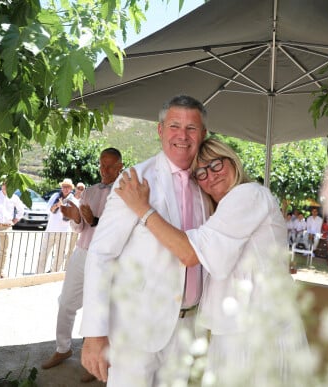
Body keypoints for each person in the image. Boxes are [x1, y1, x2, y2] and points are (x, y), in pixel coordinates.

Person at [117, 138, 308, 386]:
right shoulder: (225, 209)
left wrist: (142, 209)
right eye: (201, 173)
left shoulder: (248, 195)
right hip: (241, 328)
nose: (211, 176)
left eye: (216, 165)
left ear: (232, 162)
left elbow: (189, 253)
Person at [81, 95, 209, 385]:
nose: (183, 135)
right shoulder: (135, 179)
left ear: (203, 135)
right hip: (134, 330)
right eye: (175, 126)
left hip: (187, 329)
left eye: (192, 128)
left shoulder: (206, 185)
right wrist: (94, 333)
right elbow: (101, 255)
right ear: (160, 130)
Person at [41, 148, 123, 384]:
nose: (104, 170)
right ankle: (62, 347)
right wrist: (76, 218)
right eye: (101, 165)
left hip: (108, 258)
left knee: (99, 309)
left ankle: (96, 361)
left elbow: (121, 229)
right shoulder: (89, 191)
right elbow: (80, 229)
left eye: (109, 166)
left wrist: (94, 220)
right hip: (82, 251)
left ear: (120, 166)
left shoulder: (126, 193)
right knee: (66, 301)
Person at [37, 178, 75, 273]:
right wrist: (57, 205)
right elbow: (49, 209)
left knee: (59, 256)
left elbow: (71, 216)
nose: (65, 189)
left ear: (71, 189)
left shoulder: (73, 200)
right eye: (64, 187)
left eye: (68, 187)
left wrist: (63, 207)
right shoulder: (55, 196)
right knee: (43, 253)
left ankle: (54, 274)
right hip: (50, 229)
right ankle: (38, 274)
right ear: (61, 187)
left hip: (64, 232)